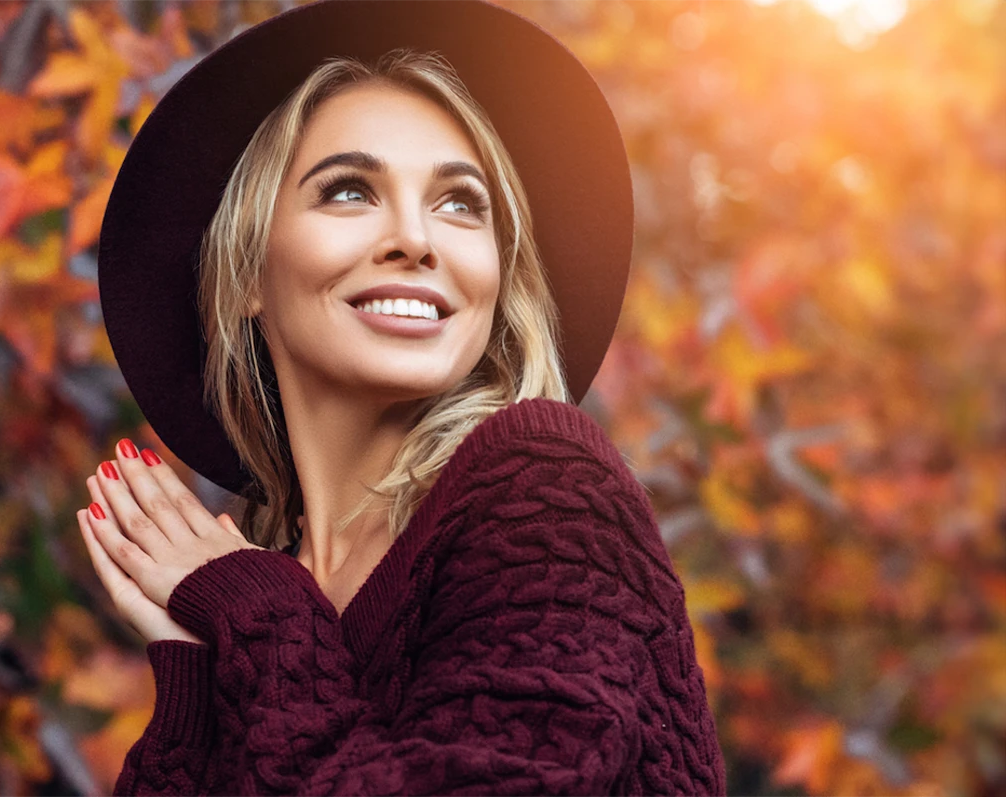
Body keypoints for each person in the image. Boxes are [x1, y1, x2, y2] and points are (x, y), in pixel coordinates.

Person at [78, 0, 726, 793]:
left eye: (460, 203)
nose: (416, 238)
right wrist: (194, 680)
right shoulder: (259, 603)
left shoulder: (547, 489)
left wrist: (258, 617)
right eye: (350, 190)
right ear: (248, 272)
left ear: (497, 275)